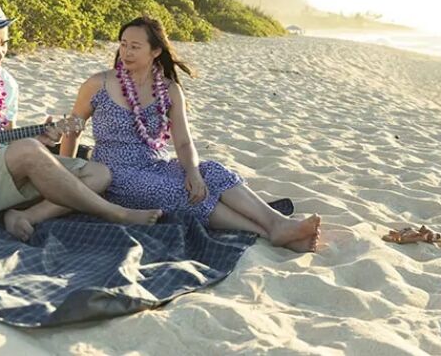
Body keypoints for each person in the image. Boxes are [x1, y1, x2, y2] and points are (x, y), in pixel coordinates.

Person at [61, 16, 321, 252]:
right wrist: (66, 173)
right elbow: (72, 131)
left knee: (212, 172)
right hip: (115, 172)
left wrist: (193, 172)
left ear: (156, 51)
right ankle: (268, 231)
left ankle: (277, 223)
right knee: (182, 193)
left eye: (135, 46)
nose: (126, 52)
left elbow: (183, 142)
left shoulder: (169, 90)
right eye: (123, 44)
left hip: (156, 164)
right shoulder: (98, 84)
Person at [0, 0, 162, 242]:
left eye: (5, 44)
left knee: (99, 174)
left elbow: (6, 145)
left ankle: (24, 216)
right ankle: (116, 213)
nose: (0, 54)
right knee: (28, 151)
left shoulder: (6, 85)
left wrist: (38, 138)